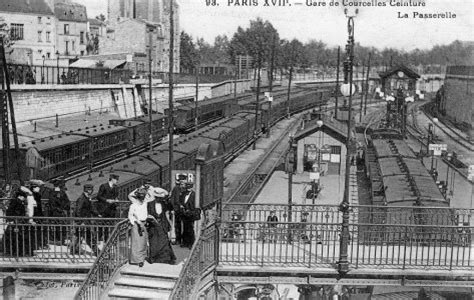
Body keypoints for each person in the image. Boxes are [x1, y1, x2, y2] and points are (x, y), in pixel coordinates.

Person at [146, 193, 176, 264]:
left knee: (164, 241)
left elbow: (166, 214)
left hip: (162, 224)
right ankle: (154, 258)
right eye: (158, 198)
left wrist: (171, 225)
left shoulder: (164, 204)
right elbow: (147, 214)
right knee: (154, 242)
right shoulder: (149, 204)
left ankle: (165, 259)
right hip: (153, 226)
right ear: (155, 197)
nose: (159, 199)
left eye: (160, 198)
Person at [3, 189, 34, 256]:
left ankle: (17, 252)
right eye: (23, 197)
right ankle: (18, 252)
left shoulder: (18, 202)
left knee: (17, 237)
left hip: (18, 221)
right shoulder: (16, 202)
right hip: (16, 222)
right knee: (17, 237)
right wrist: (11, 220)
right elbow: (10, 211)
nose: (24, 199)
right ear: (20, 196)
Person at [72, 184, 97, 254]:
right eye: (90, 190)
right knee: (88, 236)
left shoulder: (86, 197)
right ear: (87, 190)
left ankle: (73, 250)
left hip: (84, 221)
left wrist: (97, 214)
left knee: (79, 236)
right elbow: (78, 211)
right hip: (82, 221)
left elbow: (91, 209)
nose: (91, 191)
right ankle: (97, 252)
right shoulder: (82, 199)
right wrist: (81, 221)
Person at [128, 188, 148, 267]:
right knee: (137, 242)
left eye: (143, 196)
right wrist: (137, 222)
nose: (142, 198)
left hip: (144, 223)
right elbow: (130, 216)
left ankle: (142, 257)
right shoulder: (133, 205)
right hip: (136, 224)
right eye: (140, 196)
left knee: (143, 242)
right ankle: (137, 260)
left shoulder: (145, 204)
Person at [48, 179, 70, 245]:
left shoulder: (60, 192)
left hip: (60, 211)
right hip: (57, 212)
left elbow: (66, 201)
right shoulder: (55, 192)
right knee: (59, 225)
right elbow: (52, 203)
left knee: (60, 226)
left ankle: (60, 239)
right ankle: (59, 239)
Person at [180, 183, 197, 249]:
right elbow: (181, 201)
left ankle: (191, 243)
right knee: (184, 228)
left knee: (190, 228)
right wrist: (181, 206)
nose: (188, 189)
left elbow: (195, 204)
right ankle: (185, 242)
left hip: (191, 213)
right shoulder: (183, 194)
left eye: (189, 188)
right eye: (187, 188)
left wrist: (191, 211)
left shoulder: (194, 195)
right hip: (184, 213)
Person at [170, 180, 187, 246]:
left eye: (184, 184)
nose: (183, 186)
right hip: (177, 210)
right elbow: (174, 199)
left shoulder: (185, 190)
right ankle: (178, 240)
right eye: (182, 184)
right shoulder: (176, 189)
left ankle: (184, 240)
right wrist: (174, 207)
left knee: (185, 225)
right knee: (178, 225)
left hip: (184, 210)